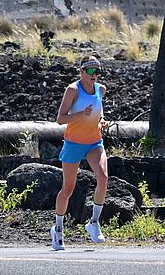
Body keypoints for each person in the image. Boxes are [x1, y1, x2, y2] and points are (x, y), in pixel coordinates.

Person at [51, 57, 109, 251]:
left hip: (94, 143)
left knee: (102, 178)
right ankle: (58, 230)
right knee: (67, 189)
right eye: (91, 71)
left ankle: (93, 223)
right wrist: (81, 114)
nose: (95, 75)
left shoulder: (101, 90)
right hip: (73, 143)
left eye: (97, 71)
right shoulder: (72, 91)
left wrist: (101, 121)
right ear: (82, 72)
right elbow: (60, 119)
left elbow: (99, 113)